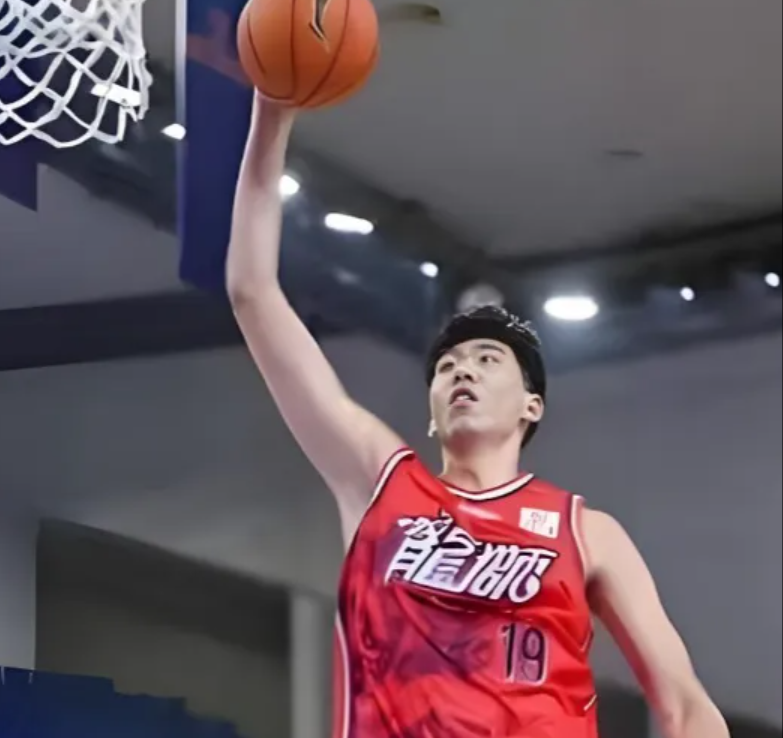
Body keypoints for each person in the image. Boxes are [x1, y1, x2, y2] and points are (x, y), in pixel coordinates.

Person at [227, 96, 730, 738]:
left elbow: (686, 706)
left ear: (531, 405)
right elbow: (252, 292)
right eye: (446, 366)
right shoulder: (381, 485)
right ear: (431, 413)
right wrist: (272, 118)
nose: (462, 371)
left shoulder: (586, 532)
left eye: (487, 360)